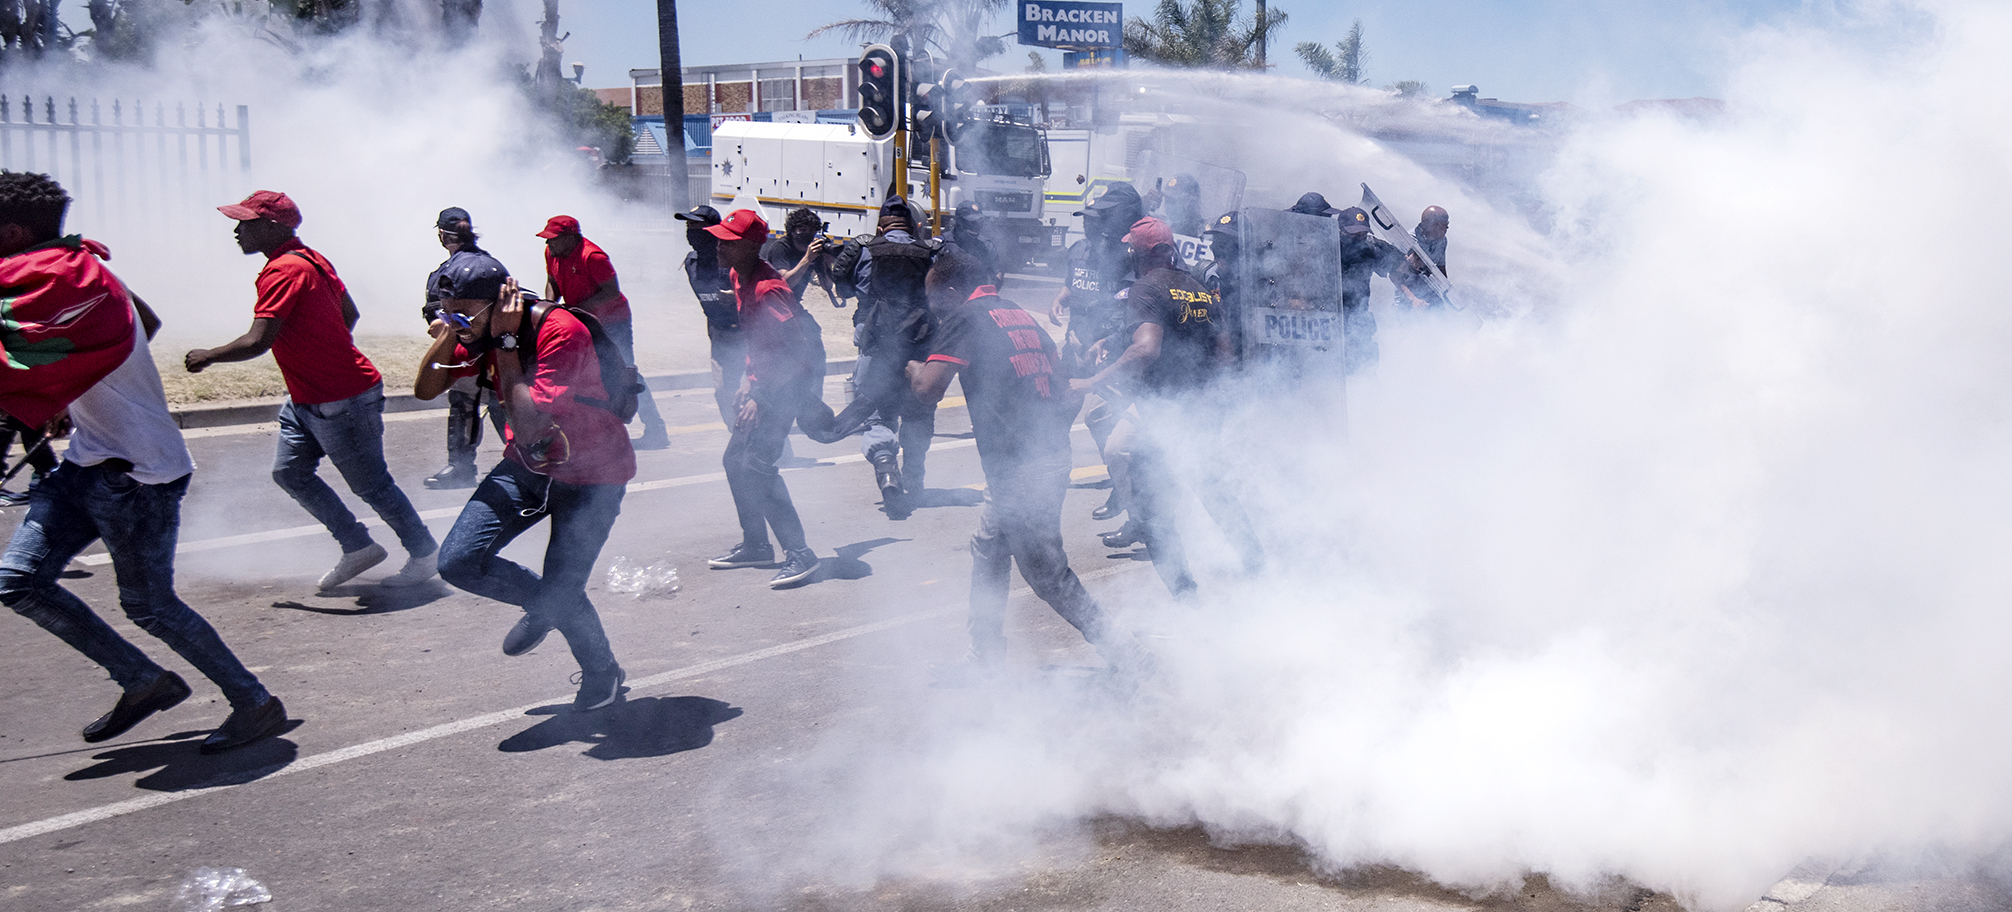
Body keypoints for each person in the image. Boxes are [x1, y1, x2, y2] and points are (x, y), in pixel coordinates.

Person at [0, 171, 287, 753]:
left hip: (137, 474)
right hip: (89, 460)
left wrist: (76, 383)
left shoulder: (60, 280)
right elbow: (145, 323)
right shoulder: (85, 271)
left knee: (150, 606)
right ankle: (143, 680)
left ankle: (255, 703)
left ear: (11, 230)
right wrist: (77, 389)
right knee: (18, 581)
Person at [909, 250, 1145, 682]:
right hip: (1036, 461)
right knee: (989, 550)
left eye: (935, 298)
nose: (933, 308)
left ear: (951, 289)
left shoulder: (967, 316)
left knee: (1046, 575)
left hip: (1021, 471)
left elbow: (928, 390)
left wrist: (910, 369)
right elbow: (1063, 389)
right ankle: (985, 659)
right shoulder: (1018, 314)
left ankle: (1129, 654)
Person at [187, 191, 436, 590]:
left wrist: (208, 355)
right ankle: (358, 547)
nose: (237, 231)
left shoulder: (285, 270)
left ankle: (425, 553)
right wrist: (321, 350)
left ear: (272, 226)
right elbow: (349, 314)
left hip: (341, 398)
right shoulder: (311, 259)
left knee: (371, 485)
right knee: (290, 473)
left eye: (245, 223)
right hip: (309, 397)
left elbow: (257, 341)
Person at [417, 274, 632, 712]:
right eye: (445, 311)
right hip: (529, 465)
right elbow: (425, 389)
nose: (455, 322)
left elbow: (534, 424)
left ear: (497, 305)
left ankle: (601, 669)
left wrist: (508, 344)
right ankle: (549, 603)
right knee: (457, 562)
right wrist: (448, 334)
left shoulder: (558, 331)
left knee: (564, 584)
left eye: (461, 313)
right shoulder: (477, 328)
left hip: (592, 473)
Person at [1071, 216, 1262, 597]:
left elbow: (1147, 348)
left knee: (1139, 480)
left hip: (1165, 409)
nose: (1130, 254)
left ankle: (1182, 591)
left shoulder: (1145, 287)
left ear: (1154, 252)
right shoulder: (1197, 286)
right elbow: (1222, 352)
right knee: (1211, 486)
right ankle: (1256, 561)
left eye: (1136, 249)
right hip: (1201, 404)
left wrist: (1090, 381)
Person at [704, 209, 829, 589]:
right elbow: (757, 339)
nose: (719, 246)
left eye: (728, 241)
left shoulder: (768, 289)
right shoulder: (738, 276)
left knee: (756, 465)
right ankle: (756, 544)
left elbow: (794, 349)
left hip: (785, 387)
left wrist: (760, 392)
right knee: (733, 461)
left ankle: (800, 554)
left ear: (750, 246)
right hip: (766, 383)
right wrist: (748, 376)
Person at [828, 195, 941, 517]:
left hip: (876, 348)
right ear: (912, 225)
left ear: (880, 226)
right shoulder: (929, 251)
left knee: (876, 415)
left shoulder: (864, 248)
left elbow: (844, 287)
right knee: (918, 415)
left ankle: (885, 465)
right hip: (920, 349)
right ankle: (915, 484)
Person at [1049, 182, 1142, 529]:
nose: (1092, 224)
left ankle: (1126, 488)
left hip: (1105, 347)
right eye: (1087, 218)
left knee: (1105, 421)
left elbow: (1120, 298)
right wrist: (1060, 298)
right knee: (1059, 409)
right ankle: (1058, 475)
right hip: (1078, 340)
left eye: (1097, 217)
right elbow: (1074, 283)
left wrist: (1108, 337)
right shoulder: (1078, 250)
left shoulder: (1120, 253)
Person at [540, 215, 669, 449]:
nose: (548, 244)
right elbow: (552, 280)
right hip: (582, 320)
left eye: (553, 239)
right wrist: (550, 306)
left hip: (612, 322)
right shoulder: (553, 253)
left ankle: (656, 429)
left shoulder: (593, 256)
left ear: (570, 238)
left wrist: (576, 310)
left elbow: (610, 293)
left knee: (627, 373)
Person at [421, 206, 509, 489]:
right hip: (498, 348)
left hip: (469, 351)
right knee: (499, 405)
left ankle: (461, 467)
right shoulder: (494, 266)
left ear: (442, 235)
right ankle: (526, 461)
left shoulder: (445, 273)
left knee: (467, 404)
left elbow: (437, 320)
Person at [676, 205, 743, 426]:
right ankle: (741, 441)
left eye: (698, 226)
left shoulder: (733, 256)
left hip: (748, 335)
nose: (691, 231)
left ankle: (771, 448)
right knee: (724, 393)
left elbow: (760, 289)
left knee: (752, 394)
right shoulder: (691, 263)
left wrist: (737, 296)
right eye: (689, 226)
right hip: (720, 337)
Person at [1335, 206, 1400, 373]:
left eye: (1362, 234)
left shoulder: (1369, 248)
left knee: (1363, 366)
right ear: (1340, 231)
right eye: (1354, 234)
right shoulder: (1326, 247)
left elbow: (1399, 261)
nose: (1359, 238)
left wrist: (1411, 260)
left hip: (1357, 317)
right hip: (1328, 317)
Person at [762, 207, 838, 308]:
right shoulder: (781, 247)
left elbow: (827, 285)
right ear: (792, 231)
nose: (807, 234)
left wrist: (827, 264)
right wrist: (807, 259)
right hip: (772, 304)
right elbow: (785, 284)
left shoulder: (813, 250)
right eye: (802, 230)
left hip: (793, 304)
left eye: (812, 231)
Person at [1395, 205, 1451, 308]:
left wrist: (1447, 290)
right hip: (1408, 299)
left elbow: (1441, 269)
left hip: (1430, 294)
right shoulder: (1407, 240)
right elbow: (1395, 275)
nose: (1447, 228)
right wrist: (1413, 300)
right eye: (1444, 225)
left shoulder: (1442, 241)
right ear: (1432, 224)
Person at [945, 201, 1000, 288]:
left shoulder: (986, 246)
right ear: (959, 222)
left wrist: (987, 297)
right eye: (972, 222)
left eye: (979, 221)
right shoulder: (943, 245)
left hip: (978, 299)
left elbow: (997, 275)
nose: (976, 226)